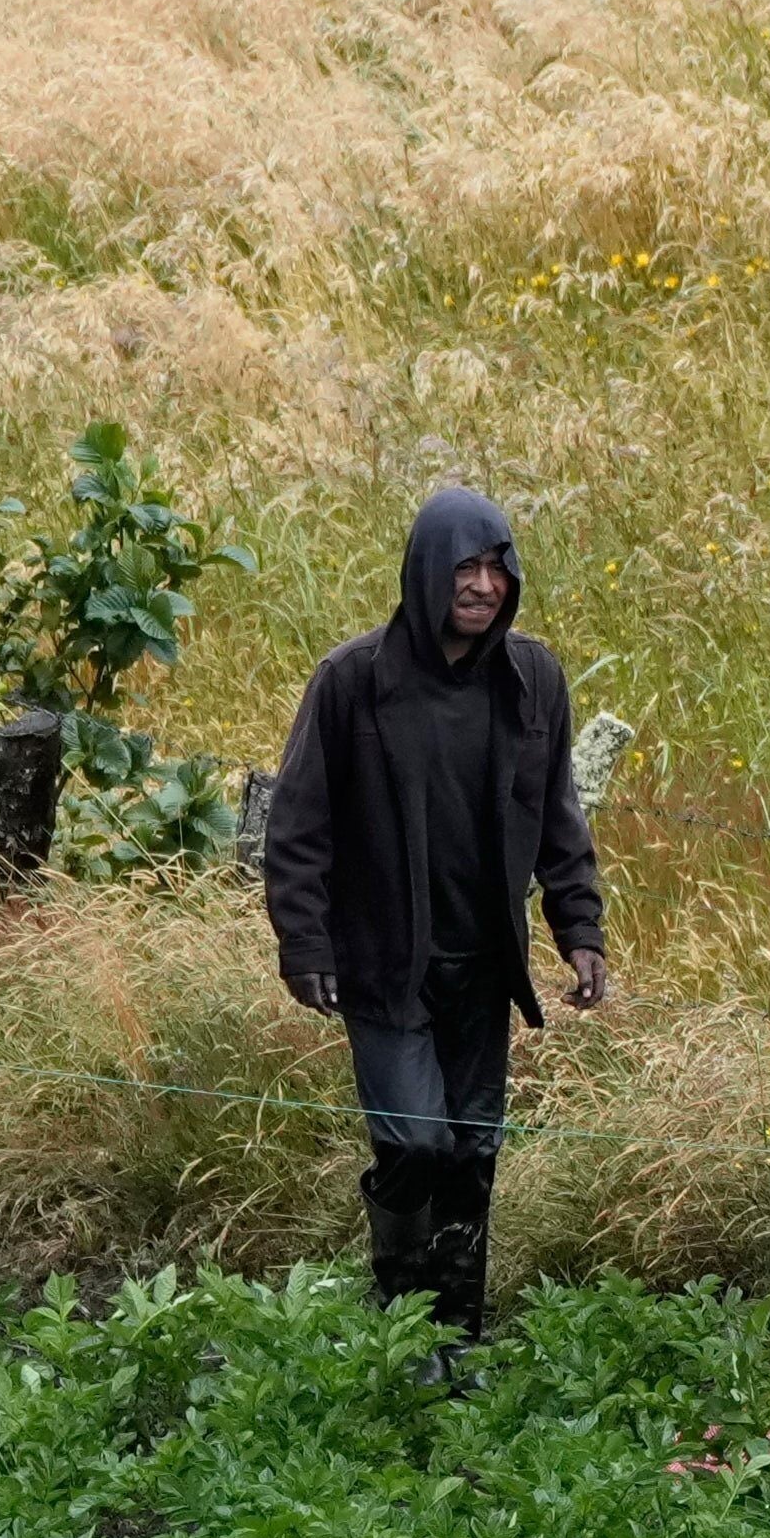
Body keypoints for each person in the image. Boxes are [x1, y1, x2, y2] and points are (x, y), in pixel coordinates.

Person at [264, 487, 610, 1331]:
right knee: (415, 1141)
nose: (484, 585)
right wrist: (304, 942)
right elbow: (299, 822)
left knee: (473, 1152)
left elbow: (558, 813)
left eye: (498, 567)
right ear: (426, 572)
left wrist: (580, 926)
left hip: (483, 965)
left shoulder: (532, 680)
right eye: (465, 566)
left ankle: (458, 1334)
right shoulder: (354, 682)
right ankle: (401, 1320)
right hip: (383, 964)